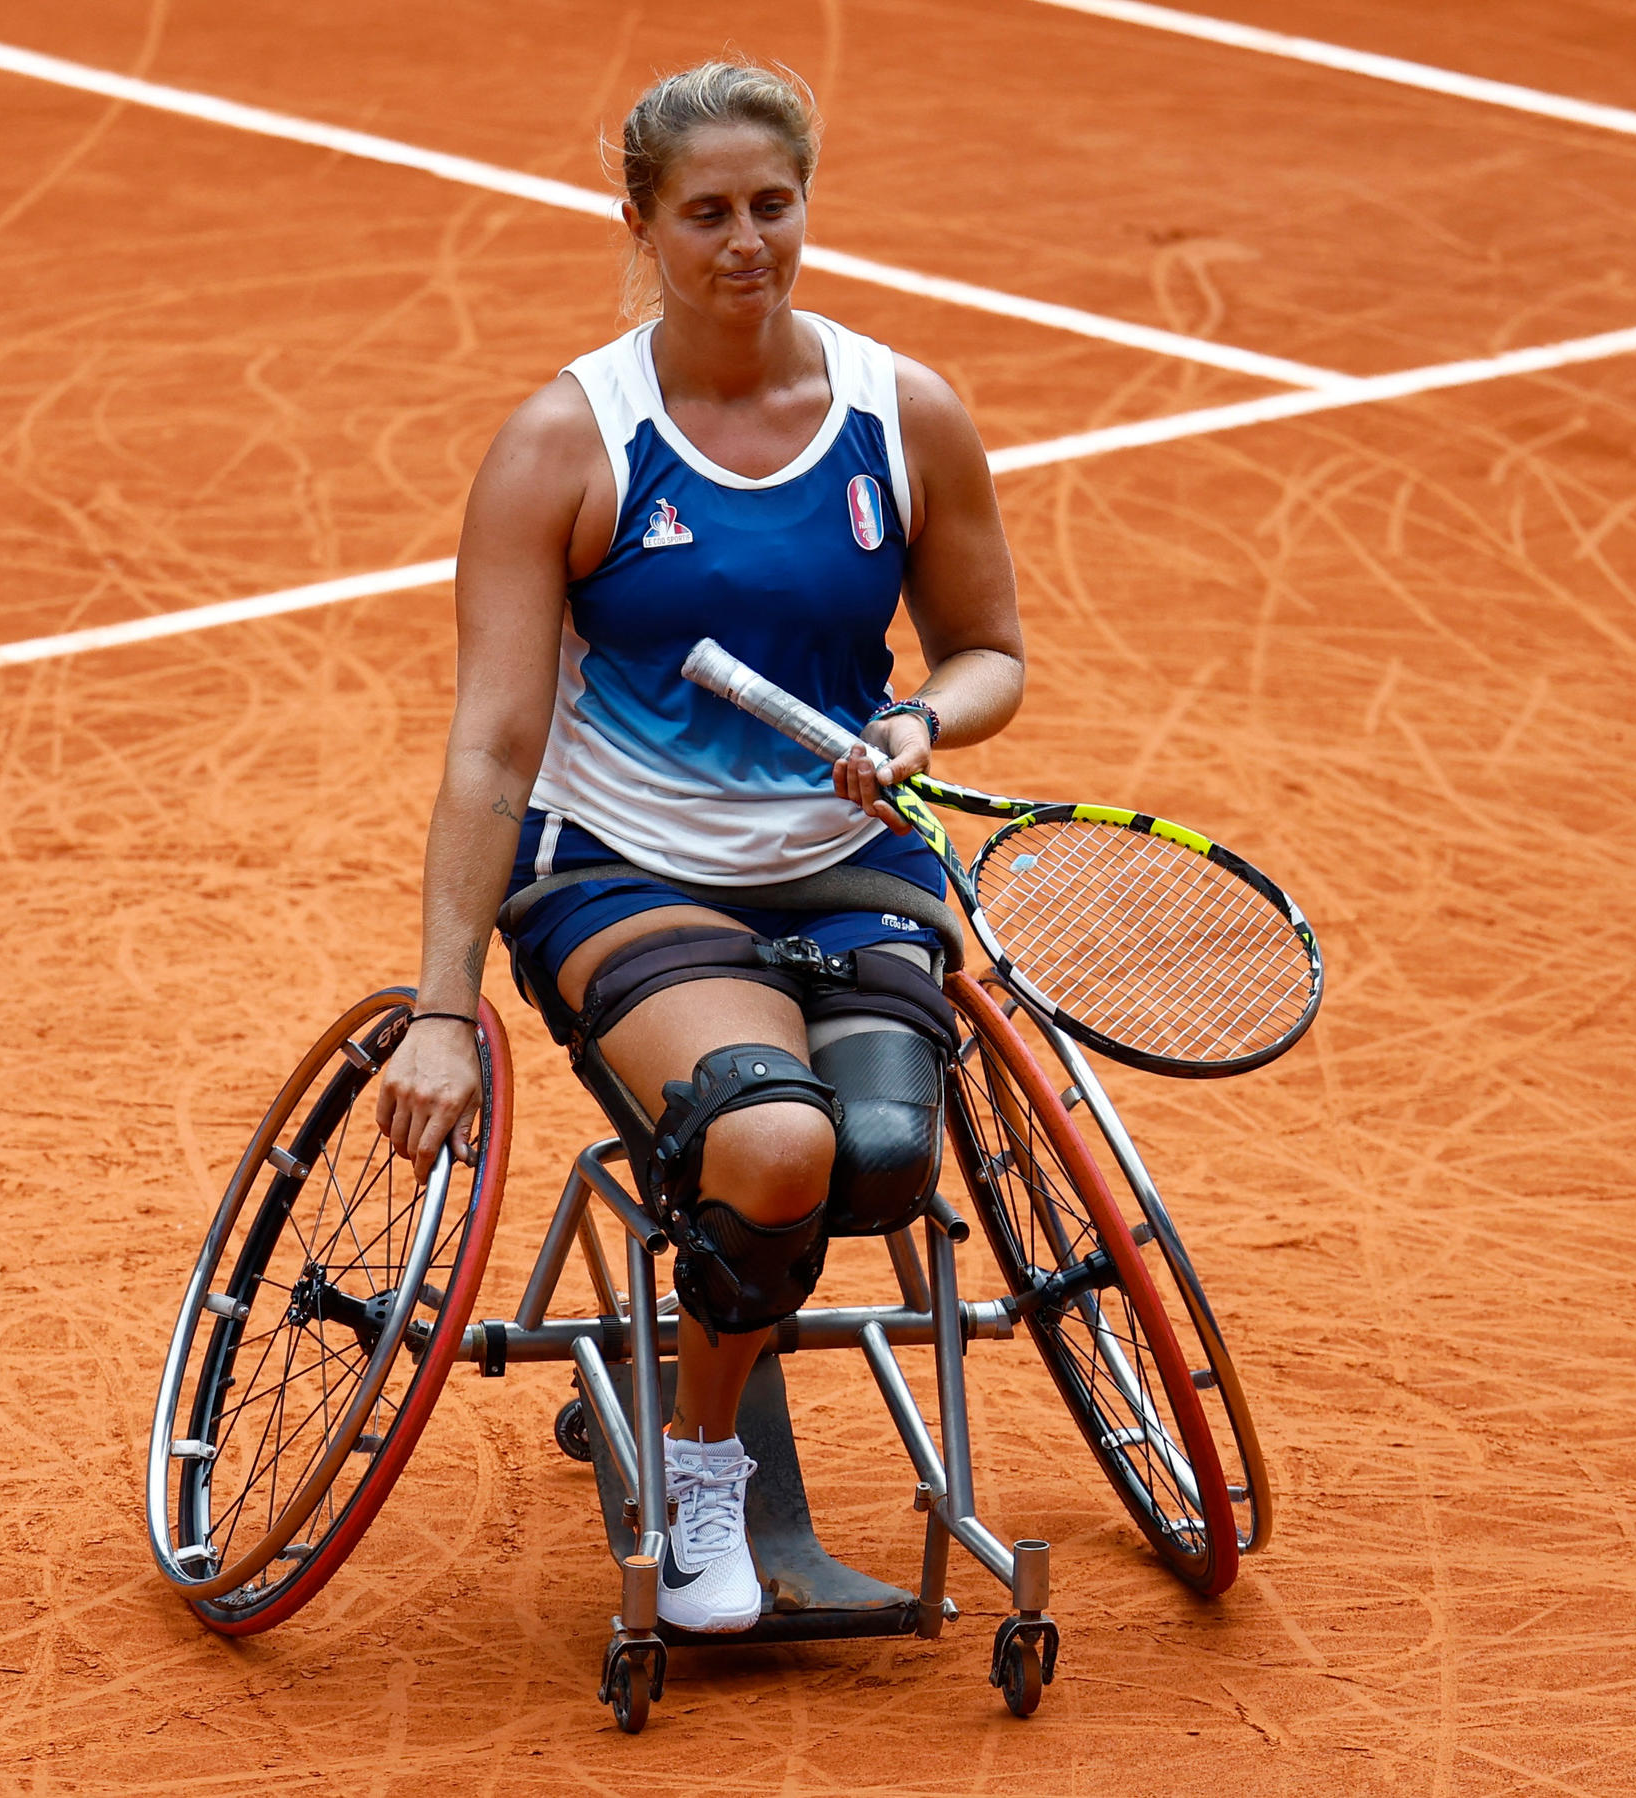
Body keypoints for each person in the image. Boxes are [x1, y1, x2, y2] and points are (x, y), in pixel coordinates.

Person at [370, 60, 1024, 1633]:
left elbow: (989, 650)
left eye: (773, 205)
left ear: (808, 203)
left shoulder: (900, 414)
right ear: (643, 225)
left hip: (850, 859)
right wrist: (442, 1010)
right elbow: (492, 745)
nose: (748, 241)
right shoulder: (565, 444)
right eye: (708, 213)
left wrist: (922, 728)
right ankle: (706, 1458)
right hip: (624, 865)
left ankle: (704, 1334)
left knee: (874, 1160)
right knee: (776, 1145)